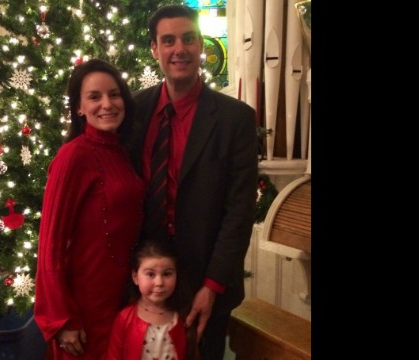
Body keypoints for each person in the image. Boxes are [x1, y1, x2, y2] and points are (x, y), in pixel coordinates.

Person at [129, 5, 258, 360]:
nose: (179, 49)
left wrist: (211, 287)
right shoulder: (132, 111)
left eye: (188, 39)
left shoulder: (235, 120)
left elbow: (239, 211)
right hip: (141, 280)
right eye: (168, 41)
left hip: (204, 280)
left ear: (202, 45)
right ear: (155, 49)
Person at [34, 58, 145, 360]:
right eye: (94, 97)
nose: (107, 104)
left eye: (114, 94)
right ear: (79, 108)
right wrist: (61, 319)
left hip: (123, 298)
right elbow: (50, 244)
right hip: (84, 305)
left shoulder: (121, 151)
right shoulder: (73, 156)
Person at [105, 239, 198, 360]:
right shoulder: (124, 319)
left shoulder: (183, 317)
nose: (159, 282)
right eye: (150, 274)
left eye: (167, 274)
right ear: (135, 277)